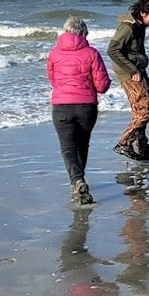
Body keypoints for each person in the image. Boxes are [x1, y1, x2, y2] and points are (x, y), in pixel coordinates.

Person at [46, 15, 111, 204]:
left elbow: (53, 80)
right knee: (82, 145)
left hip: (61, 106)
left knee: (67, 148)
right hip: (86, 106)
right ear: (83, 33)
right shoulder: (92, 53)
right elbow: (102, 86)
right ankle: (78, 180)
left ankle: (76, 181)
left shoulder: (53, 54)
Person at [108, 0, 149, 161]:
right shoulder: (128, 28)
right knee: (147, 109)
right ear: (143, 13)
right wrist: (132, 70)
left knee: (140, 111)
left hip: (137, 71)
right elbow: (112, 50)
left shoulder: (140, 26)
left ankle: (142, 148)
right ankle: (124, 143)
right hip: (129, 74)